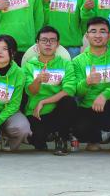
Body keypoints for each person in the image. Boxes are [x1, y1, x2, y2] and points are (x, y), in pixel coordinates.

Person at [71, 17, 110, 156]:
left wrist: (105, 95)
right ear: (87, 35)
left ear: (109, 35)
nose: (98, 35)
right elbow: (76, 92)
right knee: (80, 129)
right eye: (93, 31)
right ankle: (94, 140)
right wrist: (87, 82)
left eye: (102, 31)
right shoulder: (77, 61)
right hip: (89, 107)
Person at [23, 26, 77, 155]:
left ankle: (62, 139)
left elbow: (69, 90)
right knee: (38, 141)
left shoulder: (66, 64)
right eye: (44, 40)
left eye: (52, 40)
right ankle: (47, 135)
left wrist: (44, 102)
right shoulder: (29, 66)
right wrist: (38, 80)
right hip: (36, 113)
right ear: (37, 44)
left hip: (57, 111)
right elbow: (30, 91)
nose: (48, 44)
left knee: (69, 101)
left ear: (57, 44)